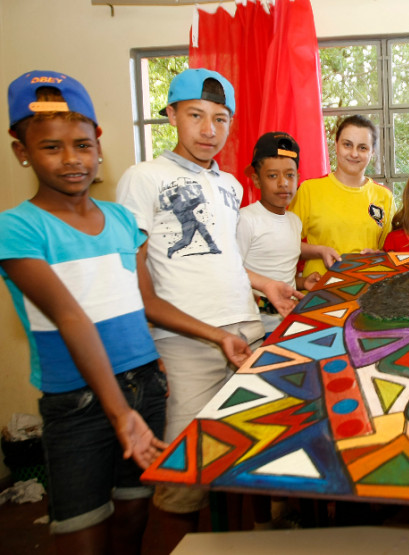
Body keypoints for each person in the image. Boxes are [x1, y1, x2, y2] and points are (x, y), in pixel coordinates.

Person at [0, 71, 248, 555]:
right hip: (83, 397)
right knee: (92, 521)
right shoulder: (21, 227)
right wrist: (120, 407)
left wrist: (221, 333)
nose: (72, 159)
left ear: (98, 145)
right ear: (22, 151)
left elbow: (153, 295)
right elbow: (76, 316)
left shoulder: (122, 219)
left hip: (150, 381)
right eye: (52, 147)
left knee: (140, 508)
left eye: (82, 145)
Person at [116, 68, 302, 551]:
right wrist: (211, 335)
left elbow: (224, 260)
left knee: (243, 467)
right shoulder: (144, 178)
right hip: (189, 347)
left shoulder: (230, 187)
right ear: (171, 115)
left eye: (220, 119)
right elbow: (138, 290)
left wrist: (267, 285)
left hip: (246, 336)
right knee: (182, 483)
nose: (207, 130)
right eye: (195, 116)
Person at [237, 131, 319, 336]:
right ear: (256, 180)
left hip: (289, 323)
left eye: (289, 175)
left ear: (298, 178)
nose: (283, 183)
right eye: (273, 176)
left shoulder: (294, 221)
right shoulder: (245, 219)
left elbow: (280, 270)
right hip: (254, 328)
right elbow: (230, 272)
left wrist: (302, 282)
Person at [288, 115, 393, 274]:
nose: (354, 153)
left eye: (362, 148)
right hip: (318, 292)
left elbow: (391, 252)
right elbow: (285, 245)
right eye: (347, 145)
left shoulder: (385, 196)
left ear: (372, 152)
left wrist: (382, 255)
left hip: (368, 291)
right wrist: (319, 251)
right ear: (336, 145)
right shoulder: (309, 190)